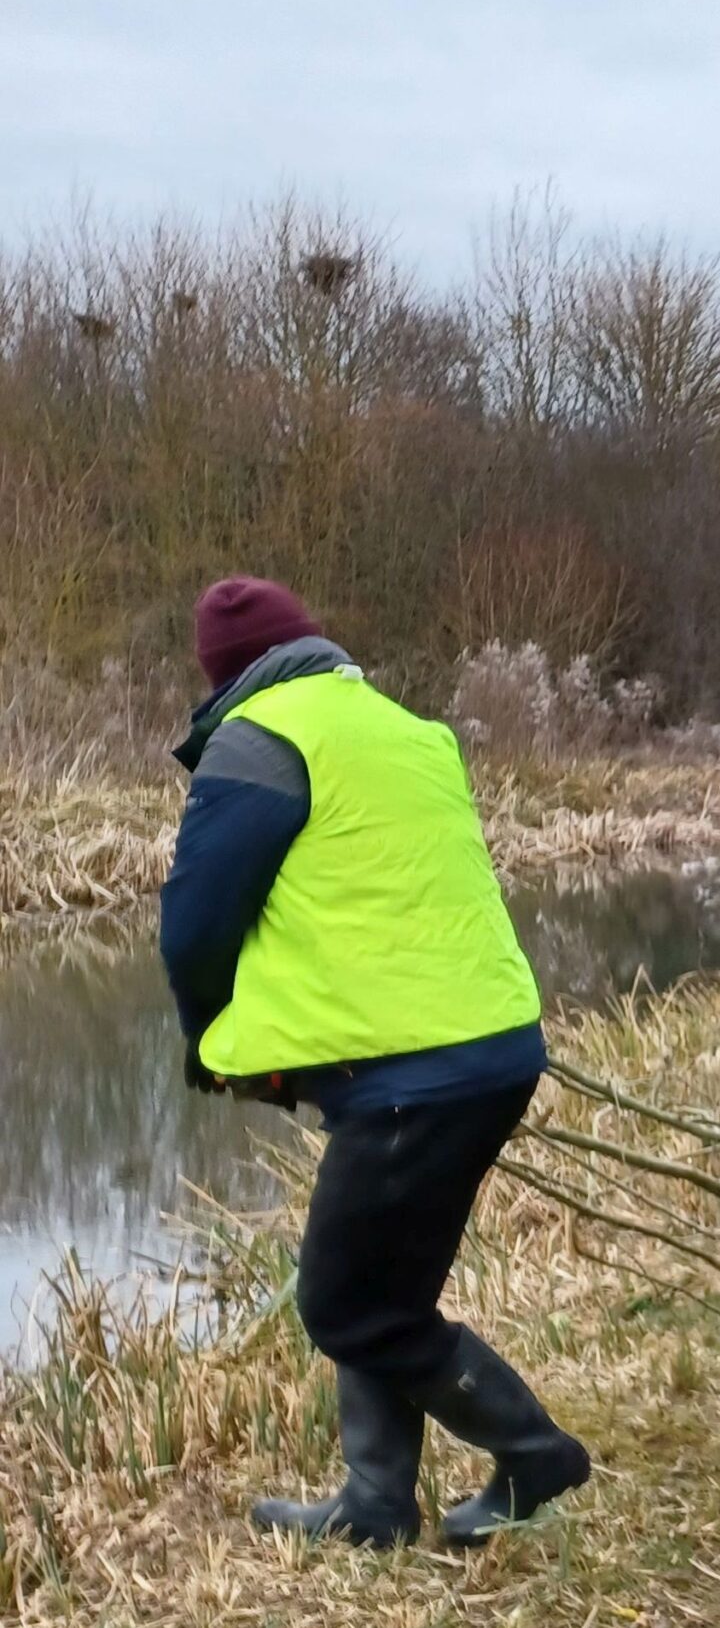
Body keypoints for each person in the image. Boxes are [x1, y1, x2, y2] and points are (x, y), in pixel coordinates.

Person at [158, 577, 588, 1550]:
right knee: (383, 1290)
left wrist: (205, 1035)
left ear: (222, 675)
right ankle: (377, 1500)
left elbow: (195, 923)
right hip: (492, 1047)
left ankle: (531, 1449)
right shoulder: (404, 727)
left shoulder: (260, 736)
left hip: (409, 1076)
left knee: (346, 1303)